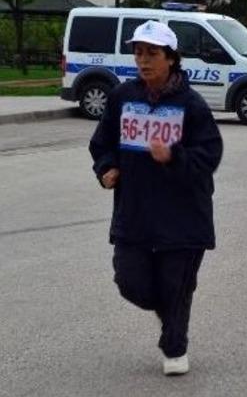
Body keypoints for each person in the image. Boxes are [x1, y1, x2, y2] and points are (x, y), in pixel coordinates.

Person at [89, 21, 223, 376]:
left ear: (171, 59)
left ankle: (174, 346)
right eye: (138, 53)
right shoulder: (122, 97)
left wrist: (174, 156)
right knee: (130, 281)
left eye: (152, 53)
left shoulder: (191, 105)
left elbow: (210, 156)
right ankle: (172, 312)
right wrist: (106, 168)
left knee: (175, 285)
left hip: (183, 217)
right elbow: (101, 144)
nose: (143, 60)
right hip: (135, 213)